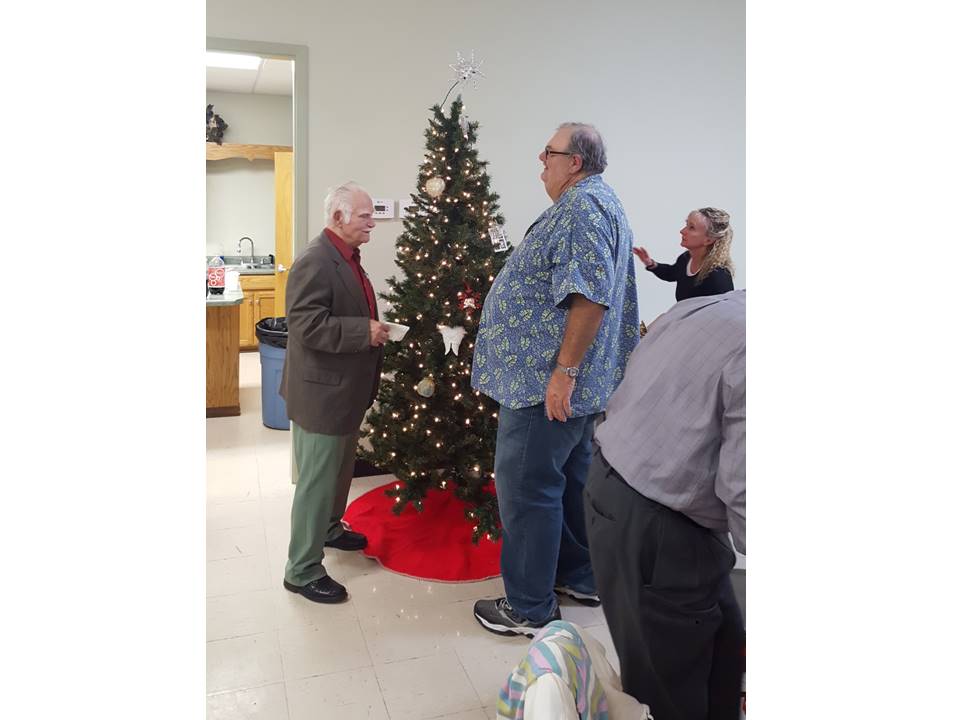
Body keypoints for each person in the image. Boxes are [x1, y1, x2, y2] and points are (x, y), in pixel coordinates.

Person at [471, 123, 640, 637]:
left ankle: (529, 607)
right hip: (570, 388)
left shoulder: (583, 208)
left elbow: (589, 299)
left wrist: (563, 374)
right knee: (567, 487)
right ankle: (580, 577)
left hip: (545, 389)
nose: (541, 160)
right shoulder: (596, 202)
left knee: (528, 491)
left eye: (550, 152)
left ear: (576, 162)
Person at [585, 289, 746, 720]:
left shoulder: (713, 306)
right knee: (670, 691)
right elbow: (744, 490)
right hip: (659, 524)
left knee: (720, 652)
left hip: (615, 483)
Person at [279, 181, 390, 604]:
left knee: (339, 473)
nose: (372, 223)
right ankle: (301, 570)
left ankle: (328, 528)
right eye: (365, 216)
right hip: (321, 396)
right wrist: (364, 332)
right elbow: (305, 325)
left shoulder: (347, 257)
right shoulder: (315, 260)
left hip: (343, 392)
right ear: (339, 216)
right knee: (317, 482)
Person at [633, 207, 735, 301]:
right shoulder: (686, 258)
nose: (682, 231)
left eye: (692, 227)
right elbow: (671, 273)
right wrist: (650, 263)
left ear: (708, 240)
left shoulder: (719, 275)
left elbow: (726, 312)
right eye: (687, 225)